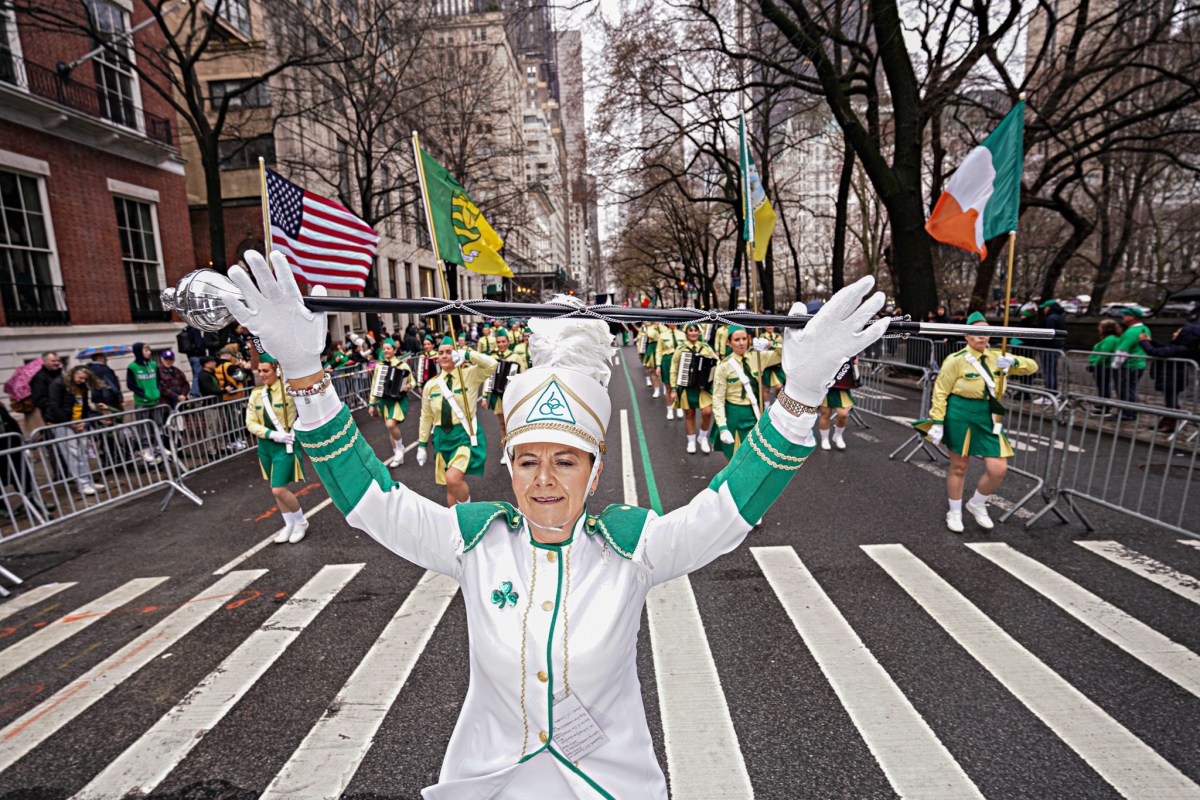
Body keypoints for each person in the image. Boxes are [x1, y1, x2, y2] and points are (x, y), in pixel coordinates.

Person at [216, 249, 887, 800]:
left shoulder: (634, 551)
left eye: (566, 461)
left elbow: (731, 506)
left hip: (609, 786)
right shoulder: (474, 544)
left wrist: (800, 397)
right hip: (488, 784)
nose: (544, 480)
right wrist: (306, 375)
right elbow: (369, 499)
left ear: (595, 474)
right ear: (508, 467)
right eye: (528, 460)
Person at [914, 312, 1039, 533]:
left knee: (998, 468)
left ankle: (977, 503)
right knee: (959, 466)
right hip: (960, 413)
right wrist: (938, 421)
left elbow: (1032, 367)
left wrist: (1013, 361)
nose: (983, 337)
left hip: (988, 416)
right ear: (967, 336)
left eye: (987, 332)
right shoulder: (956, 360)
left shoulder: (997, 356)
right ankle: (954, 511)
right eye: (977, 332)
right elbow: (941, 392)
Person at [415, 336, 498, 507]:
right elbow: (426, 416)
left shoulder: (469, 374)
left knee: (453, 478)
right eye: (441, 353)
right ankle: (456, 523)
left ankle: (467, 509)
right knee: (450, 486)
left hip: (463, 434)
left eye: (449, 352)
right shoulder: (431, 385)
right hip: (441, 437)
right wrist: (422, 445)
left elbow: (492, 365)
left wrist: (467, 354)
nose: (444, 356)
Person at [245, 354, 308, 544]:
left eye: (266, 371)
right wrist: (271, 434)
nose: (262, 375)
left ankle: (301, 521)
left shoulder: (288, 390)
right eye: (260, 371)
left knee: (278, 489)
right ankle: (289, 524)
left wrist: (295, 429)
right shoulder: (257, 394)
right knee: (275, 487)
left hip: (285, 446)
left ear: (277, 371)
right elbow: (250, 422)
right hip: (266, 446)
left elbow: (305, 410)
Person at [710, 326, 780, 458]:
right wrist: (723, 427)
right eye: (737, 340)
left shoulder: (758, 358)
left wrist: (770, 344)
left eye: (744, 339)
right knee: (733, 458)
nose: (742, 343)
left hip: (754, 413)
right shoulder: (723, 366)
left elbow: (787, 354)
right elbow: (718, 399)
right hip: (733, 414)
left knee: (753, 457)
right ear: (729, 343)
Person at [1138, 307, 1200, 433]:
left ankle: (1170, 423)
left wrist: (1144, 342)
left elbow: (1155, 352)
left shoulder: (1180, 348)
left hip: (1172, 378)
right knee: (1170, 401)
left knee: (1171, 402)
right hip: (1172, 377)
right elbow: (1165, 347)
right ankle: (1167, 421)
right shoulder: (1180, 347)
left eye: (1178, 332)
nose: (1175, 333)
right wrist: (1152, 341)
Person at [45, 365, 103, 496]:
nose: (82, 381)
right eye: (80, 378)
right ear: (73, 374)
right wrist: (70, 423)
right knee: (73, 454)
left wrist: (84, 421)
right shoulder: (58, 384)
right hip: (62, 424)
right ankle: (82, 484)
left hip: (78, 423)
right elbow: (54, 405)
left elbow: (84, 407)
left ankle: (88, 481)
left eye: (85, 379)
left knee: (82, 453)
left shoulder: (82, 386)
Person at [669, 322, 717, 453]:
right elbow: (674, 368)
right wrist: (673, 388)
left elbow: (716, 363)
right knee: (689, 414)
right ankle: (691, 442)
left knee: (707, 412)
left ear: (699, 332)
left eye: (696, 330)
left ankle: (702, 437)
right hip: (687, 387)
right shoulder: (681, 349)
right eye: (691, 330)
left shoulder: (706, 347)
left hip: (703, 388)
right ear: (686, 333)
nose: (694, 333)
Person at [368, 338, 415, 467]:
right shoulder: (380, 366)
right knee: (391, 428)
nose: (386, 350)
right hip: (384, 401)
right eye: (384, 349)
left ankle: (400, 449)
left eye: (388, 348)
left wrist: (407, 386)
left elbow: (413, 382)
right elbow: (374, 384)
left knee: (390, 424)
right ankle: (398, 456)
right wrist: (372, 403)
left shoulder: (402, 365)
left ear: (395, 350)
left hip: (398, 400)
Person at [484, 329, 526, 463]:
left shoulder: (515, 357)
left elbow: (523, 376)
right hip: (498, 397)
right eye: (498, 342)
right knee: (502, 424)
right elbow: (488, 377)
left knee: (515, 423)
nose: (501, 344)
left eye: (503, 341)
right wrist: (485, 396)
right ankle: (506, 452)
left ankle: (518, 449)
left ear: (508, 342)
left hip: (513, 397)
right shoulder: (492, 357)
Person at [126, 342, 165, 463]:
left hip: (155, 401)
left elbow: (159, 380)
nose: (149, 352)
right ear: (139, 352)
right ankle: (146, 449)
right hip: (142, 402)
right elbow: (130, 384)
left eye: (149, 350)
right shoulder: (132, 367)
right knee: (144, 428)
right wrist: (144, 393)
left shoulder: (153, 364)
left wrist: (157, 391)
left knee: (158, 425)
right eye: (146, 350)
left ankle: (158, 446)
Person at [1112, 307, 1150, 421]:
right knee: (1131, 388)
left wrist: (1115, 365)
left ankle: (1128, 413)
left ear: (1132, 317)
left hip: (1129, 365)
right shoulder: (1145, 328)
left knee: (1125, 389)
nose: (1123, 317)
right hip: (1139, 364)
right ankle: (1131, 411)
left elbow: (1122, 351)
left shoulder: (1131, 332)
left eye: (1125, 315)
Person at [818, 358, 858, 451]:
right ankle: (824, 439)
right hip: (825, 384)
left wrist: (855, 359)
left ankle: (838, 435)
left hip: (842, 384)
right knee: (825, 414)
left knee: (843, 414)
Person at [1088, 319, 1123, 416]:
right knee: (1103, 386)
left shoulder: (1110, 339)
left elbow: (1104, 354)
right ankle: (1102, 403)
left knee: (1103, 386)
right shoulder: (1112, 338)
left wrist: (1094, 364)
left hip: (1103, 366)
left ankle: (1105, 407)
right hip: (1104, 366)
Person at [654, 323, 686, 420]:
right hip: (667, 361)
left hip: (680, 361)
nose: (673, 323)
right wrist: (658, 365)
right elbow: (658, 351)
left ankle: (679, 406)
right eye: (671, 321)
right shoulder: (663, 335)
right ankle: (670, 409)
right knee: (668, 387)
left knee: (679, 386)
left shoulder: (682, 334)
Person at [28, 351, 64, 431]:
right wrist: (56, 409)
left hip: (64, 414)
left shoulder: (59, 374)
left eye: (58, 360)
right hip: (53, 417)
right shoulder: (39, 378)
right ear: (44, 362)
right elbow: (39, 400)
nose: (57, 363)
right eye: (53, 361)